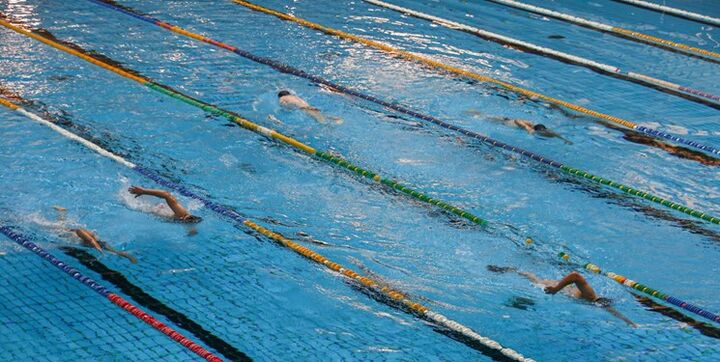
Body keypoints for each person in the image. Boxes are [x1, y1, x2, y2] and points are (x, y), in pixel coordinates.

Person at [488, 265, 636, 326]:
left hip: (557, 288)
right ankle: (509, 270)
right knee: (534, 281)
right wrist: (556, 290)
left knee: (533, 279)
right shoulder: (590, 297)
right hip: (554, 287)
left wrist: (629, 322)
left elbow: (611, 310)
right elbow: (575, 275)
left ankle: (510, 270)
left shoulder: (593, 300)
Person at [52, 206, 136, 263]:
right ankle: (61, 212)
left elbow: (84, 234)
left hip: (89, 239)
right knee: (60, 229)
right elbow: (79, 231)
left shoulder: (94, 239)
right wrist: (97, 248)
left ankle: (62, 212)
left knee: (62, 228)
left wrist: (128, 257)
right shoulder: (89, 239)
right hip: (75, 235)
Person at [128, 186, 202, 223]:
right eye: (183, 217)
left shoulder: (190, 221)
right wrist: (144, 191)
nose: (181, 218)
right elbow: (166, 194)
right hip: (158, 208)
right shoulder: (181, 213)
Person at [489, 116, 572, 144]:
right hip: (502, 121)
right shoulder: (529, 124)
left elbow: (555, 134)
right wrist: (526, 127)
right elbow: (517, 120)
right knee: (483, 116)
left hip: (505, 122)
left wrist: (565, 140)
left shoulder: (544, 130)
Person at [277, 90, 342, 124]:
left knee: (319, 121)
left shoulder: (282, 98)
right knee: (319, 115)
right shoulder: (294, 96)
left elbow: (283, 105)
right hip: (308, 106)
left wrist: (285, 111)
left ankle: (330, 128)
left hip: (303, 108)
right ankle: (335, 118)